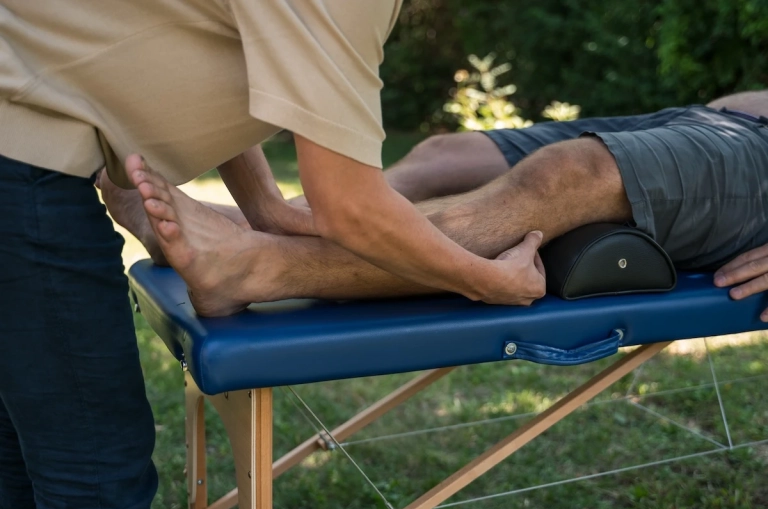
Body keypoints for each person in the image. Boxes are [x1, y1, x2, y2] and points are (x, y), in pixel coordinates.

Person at [3, 1, 545, 509]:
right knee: (95, 477)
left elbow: (208, 46)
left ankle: (218, 240)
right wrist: (488, 281)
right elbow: (352, 207)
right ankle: (233, 266)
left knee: (20, 448)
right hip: (20, 159)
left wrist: (267, 208)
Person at [102, 90, 768, 321]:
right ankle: (232, 229)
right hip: (720, 118)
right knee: (445, 154)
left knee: (572, 174)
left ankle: (254, 270)